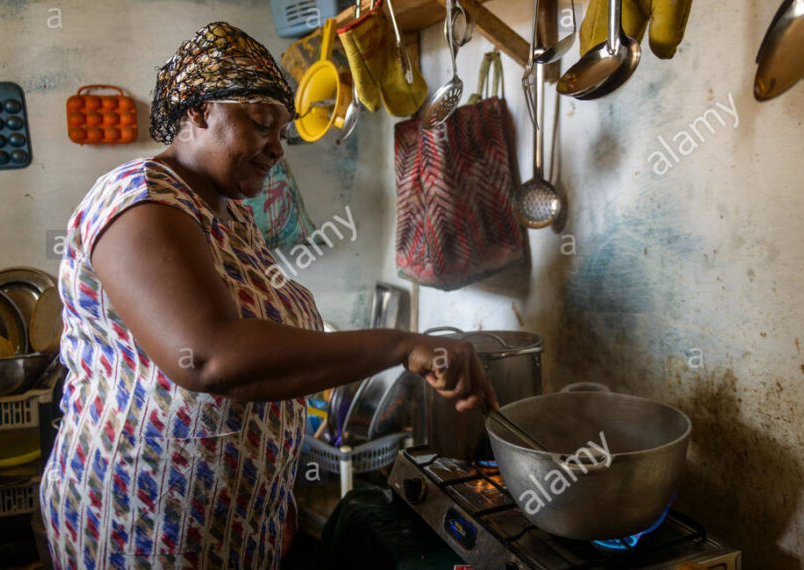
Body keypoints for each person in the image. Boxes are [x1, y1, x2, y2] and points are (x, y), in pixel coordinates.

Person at [39, 22, 497, 569]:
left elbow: (263, 354)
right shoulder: (139, 200)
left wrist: (276, 493)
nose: (277, 148)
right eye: (260, 124)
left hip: (230, 520)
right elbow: (210, 357)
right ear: (197, 112)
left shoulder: (229, 215)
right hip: (143, 523)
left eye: (283, 130)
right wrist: (402, 345)